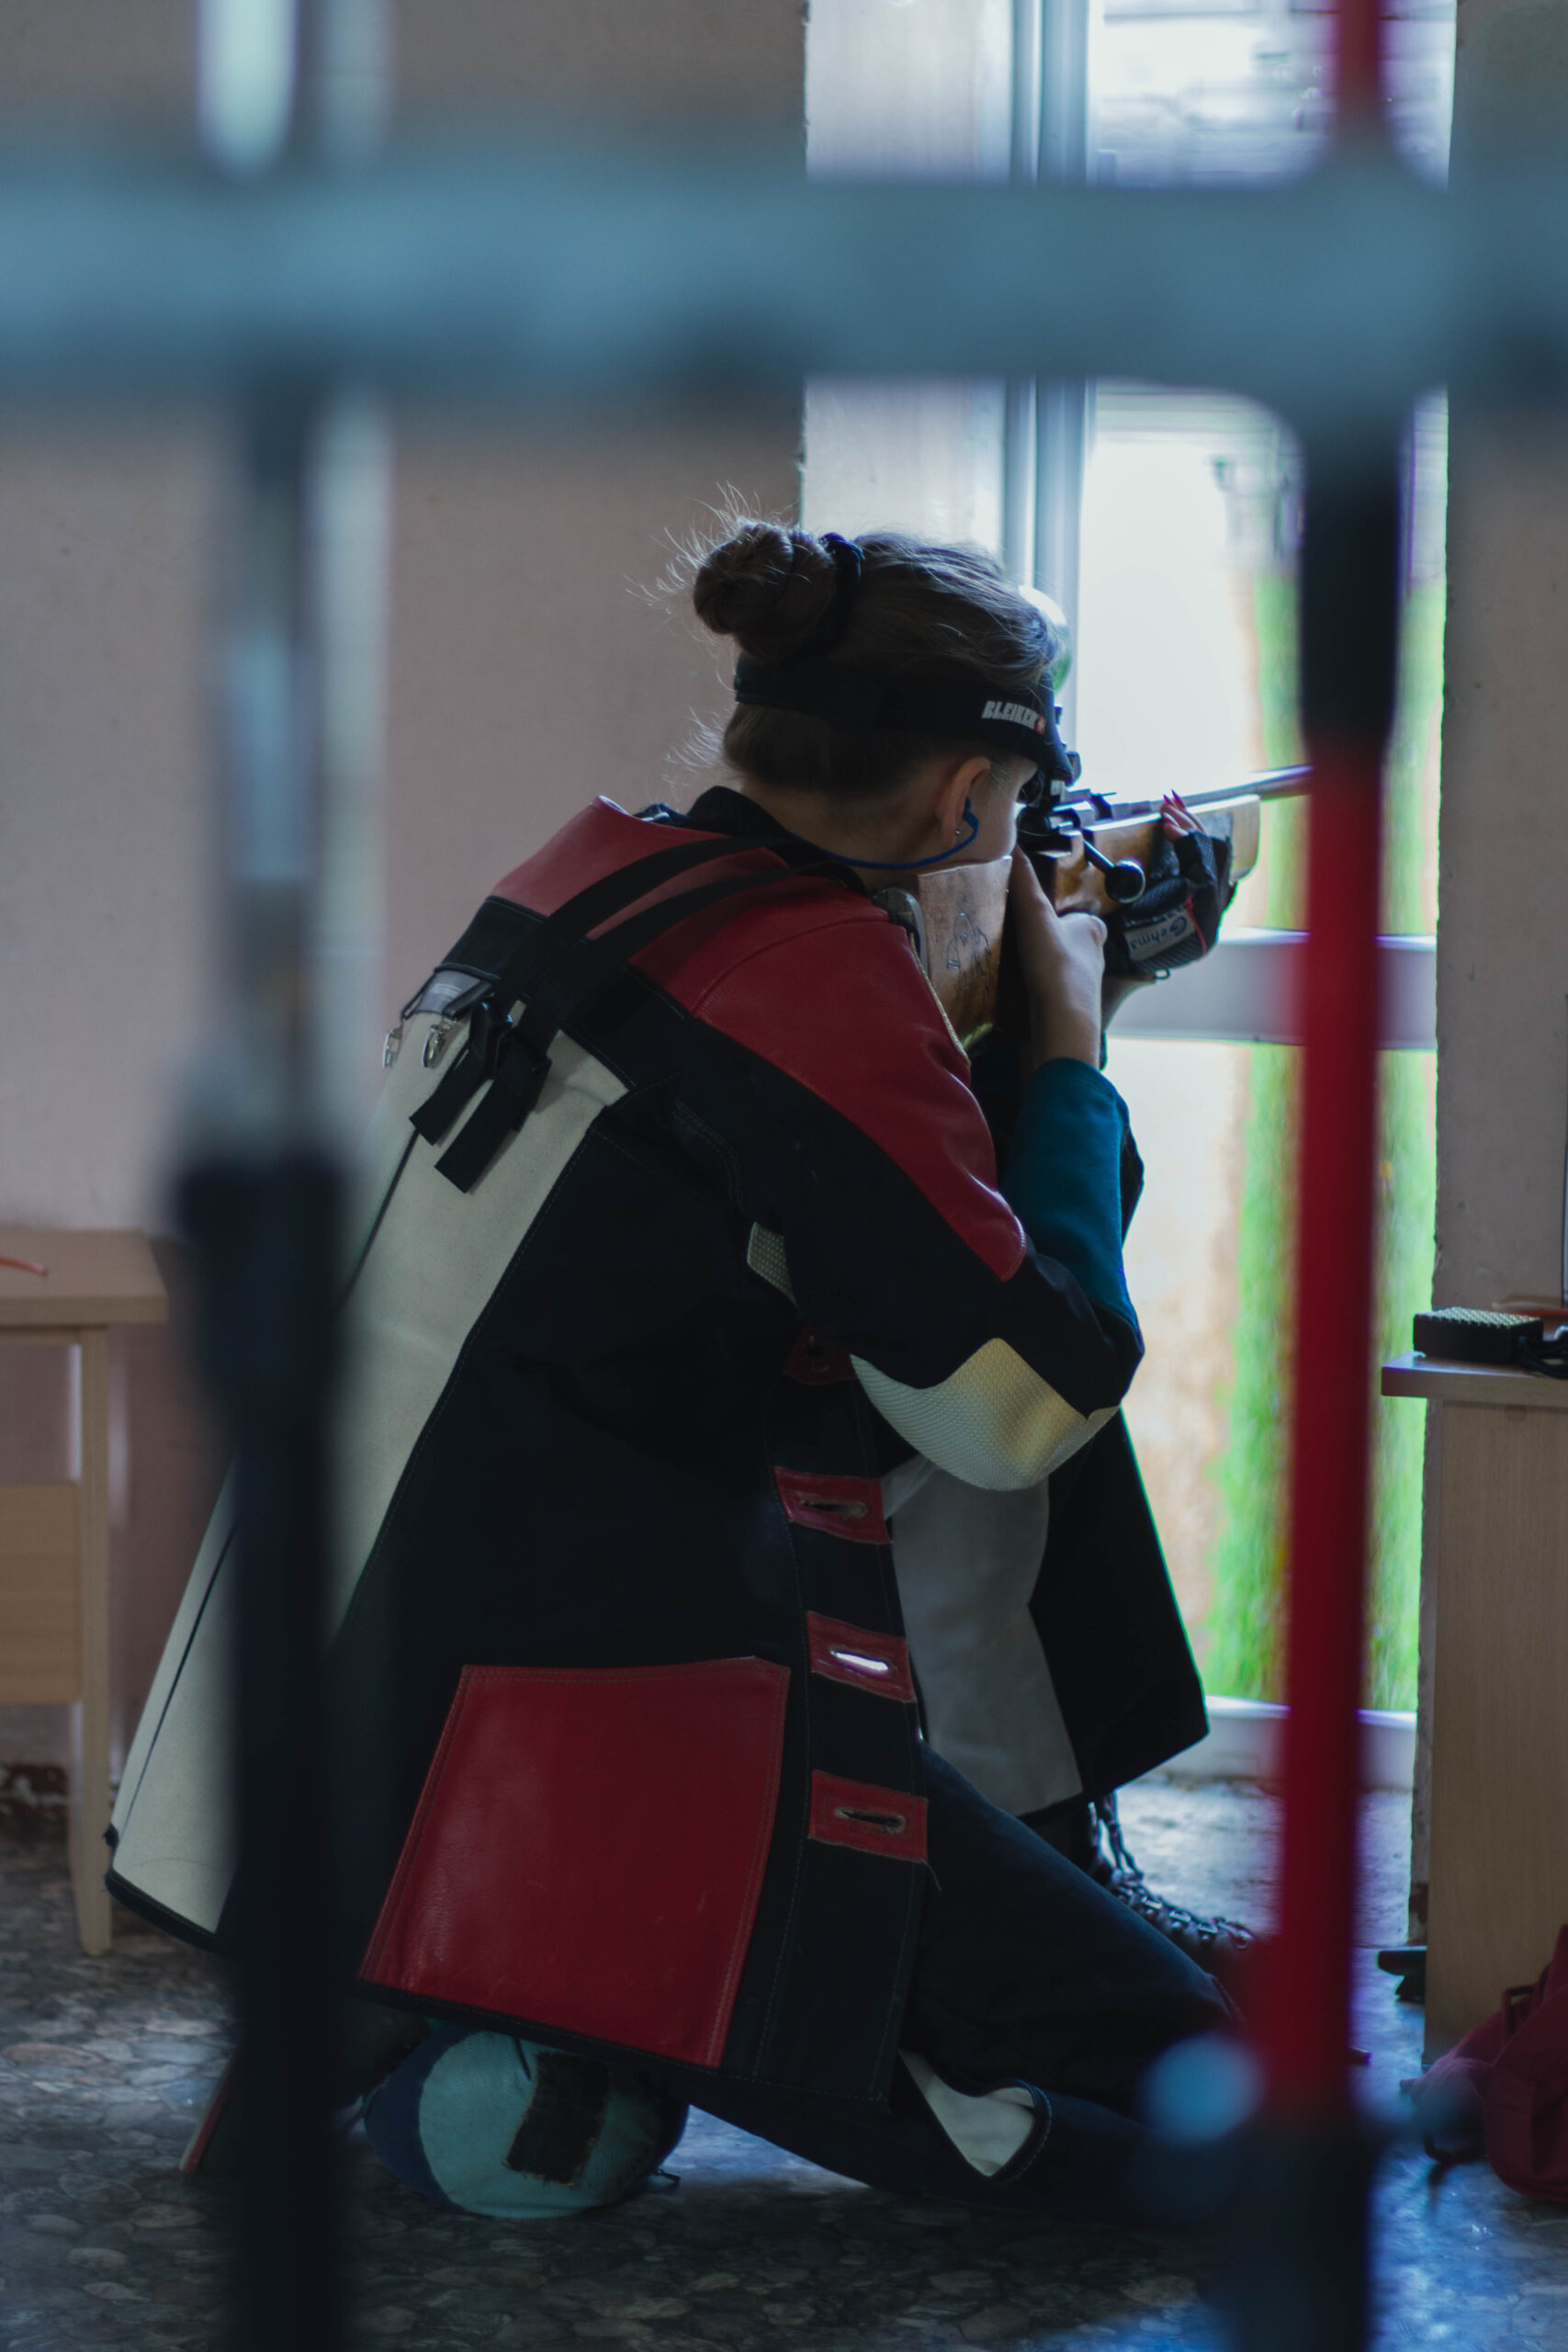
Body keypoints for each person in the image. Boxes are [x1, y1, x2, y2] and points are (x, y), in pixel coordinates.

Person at [108, 522, 1240, 2226]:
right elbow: (1025, 1399)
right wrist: (1073, 1035)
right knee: (1185, 2085)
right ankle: (519, 1992)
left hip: (286, 1725)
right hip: (551, 1739)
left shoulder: (581, 876)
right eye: (1015, 805)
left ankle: (461, 1996)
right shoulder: (816, 974)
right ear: (965, 801)